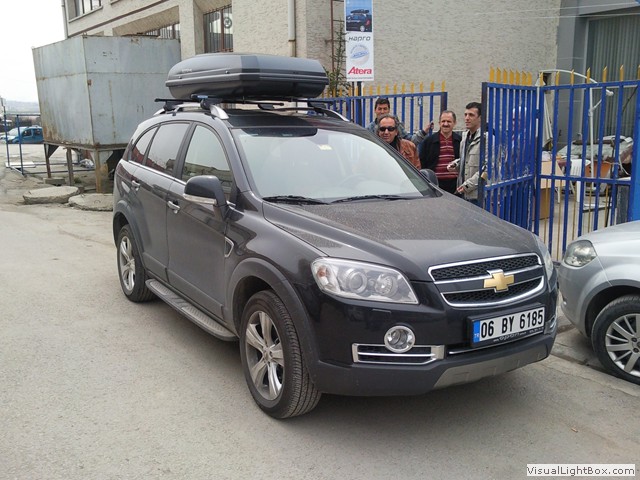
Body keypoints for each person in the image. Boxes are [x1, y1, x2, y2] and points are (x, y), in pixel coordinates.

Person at [448, 102, 483, 204]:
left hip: (478, 194)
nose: (467, 118)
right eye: (465, 115)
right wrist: (456, 164)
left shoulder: (486, 139)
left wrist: (468, 185)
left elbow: (488, 168)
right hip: (464, 193)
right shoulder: (465, 137)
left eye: (471, 115)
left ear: (480, 118)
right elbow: (468, 159)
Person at [418, 110, 461, 193]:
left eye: (449, 121)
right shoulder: (428, 142)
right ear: (439, 123)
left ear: (454, 123)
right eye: (443, 121)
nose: (445, 124)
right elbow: (422, 162)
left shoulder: (460, 141)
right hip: (435, 185)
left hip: (455, 186)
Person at [367, 97, 432, 145]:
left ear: (389, 110)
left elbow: (409, 141)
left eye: (385, 109)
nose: (382, 112)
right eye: (379, 109)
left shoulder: (396, 125)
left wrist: (423, 132)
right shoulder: (369, 129)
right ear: (375, 110)